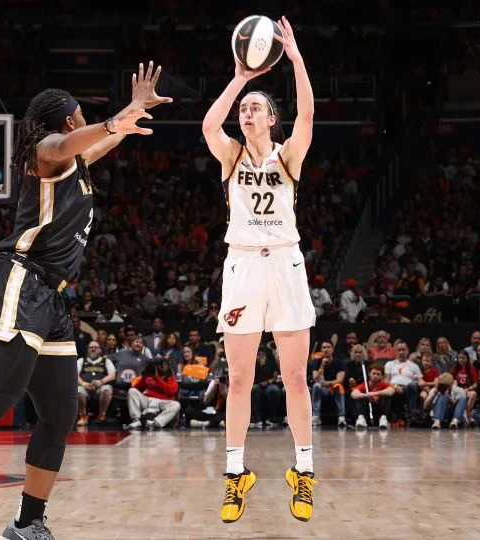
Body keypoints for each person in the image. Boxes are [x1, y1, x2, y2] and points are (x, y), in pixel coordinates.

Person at [0, 61, 170, 540]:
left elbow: (103, 141)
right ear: (68, 120)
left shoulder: (77, 165)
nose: (86, 121)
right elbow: (65, 145)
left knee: (61, 413)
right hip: (19, 280)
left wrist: (130, 112)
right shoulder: (47, 153)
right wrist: (113, 121)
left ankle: (26, 522)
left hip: (52, 298)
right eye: (82, 115)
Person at [202, 16, 317, 523]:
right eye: (244, 109)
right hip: (242, 267)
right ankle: (235, 476)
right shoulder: (229, 156)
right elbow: (209, 125)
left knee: (295, 376)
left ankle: (304, 472)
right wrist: (240, 80)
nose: (247, 112)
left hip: (286, 265)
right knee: (241, 377)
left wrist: (294, 59)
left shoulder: (289, 154)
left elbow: (309, 112)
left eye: (255, 108)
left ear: (271, 119)